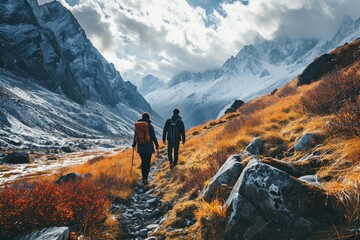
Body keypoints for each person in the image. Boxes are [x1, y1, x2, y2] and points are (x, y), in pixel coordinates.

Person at [132, 112, 159, 185]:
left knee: (143, 161)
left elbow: (135, 136)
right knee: (147, 163)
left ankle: (143, 176)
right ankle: (145, 178)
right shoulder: (150, 126)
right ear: (148, 118)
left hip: (140, 147)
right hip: (148, 147)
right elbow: (153, 137)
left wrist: (134, 144)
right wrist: (156, 144)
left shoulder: (138, 126)